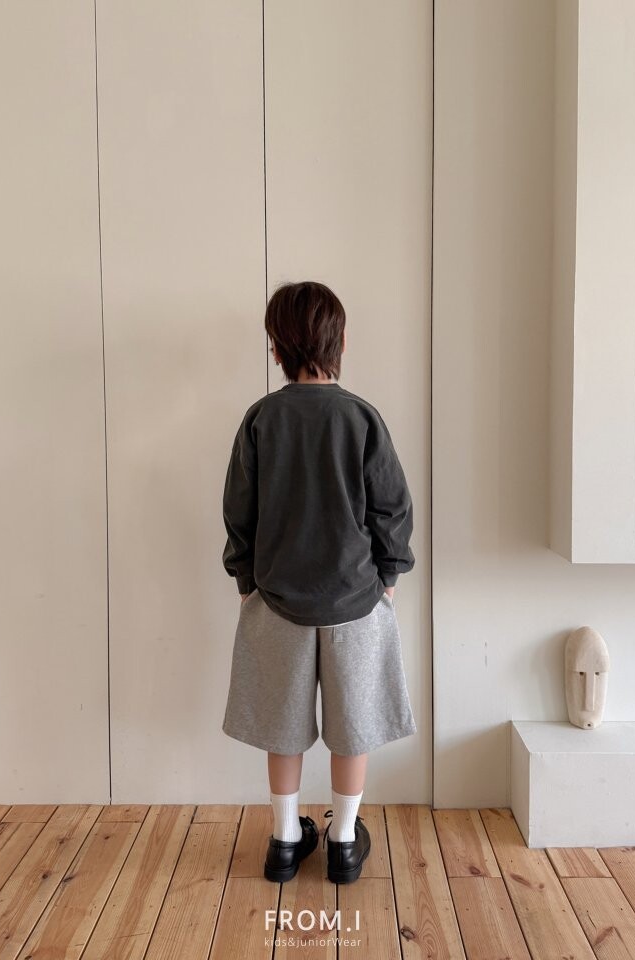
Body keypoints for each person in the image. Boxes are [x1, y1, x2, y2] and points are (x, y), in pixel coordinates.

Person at [221, 280, 416, 885]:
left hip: (276, 601)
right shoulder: (361, 417)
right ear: (342, 341)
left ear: (277, 349)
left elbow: (239, 509)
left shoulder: (261, 418)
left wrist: (246, 580)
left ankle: (284, 841)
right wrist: (388, 576)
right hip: (356, 601)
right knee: (352, 725)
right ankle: (342, 842)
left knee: (282, 725)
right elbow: (392, 507)